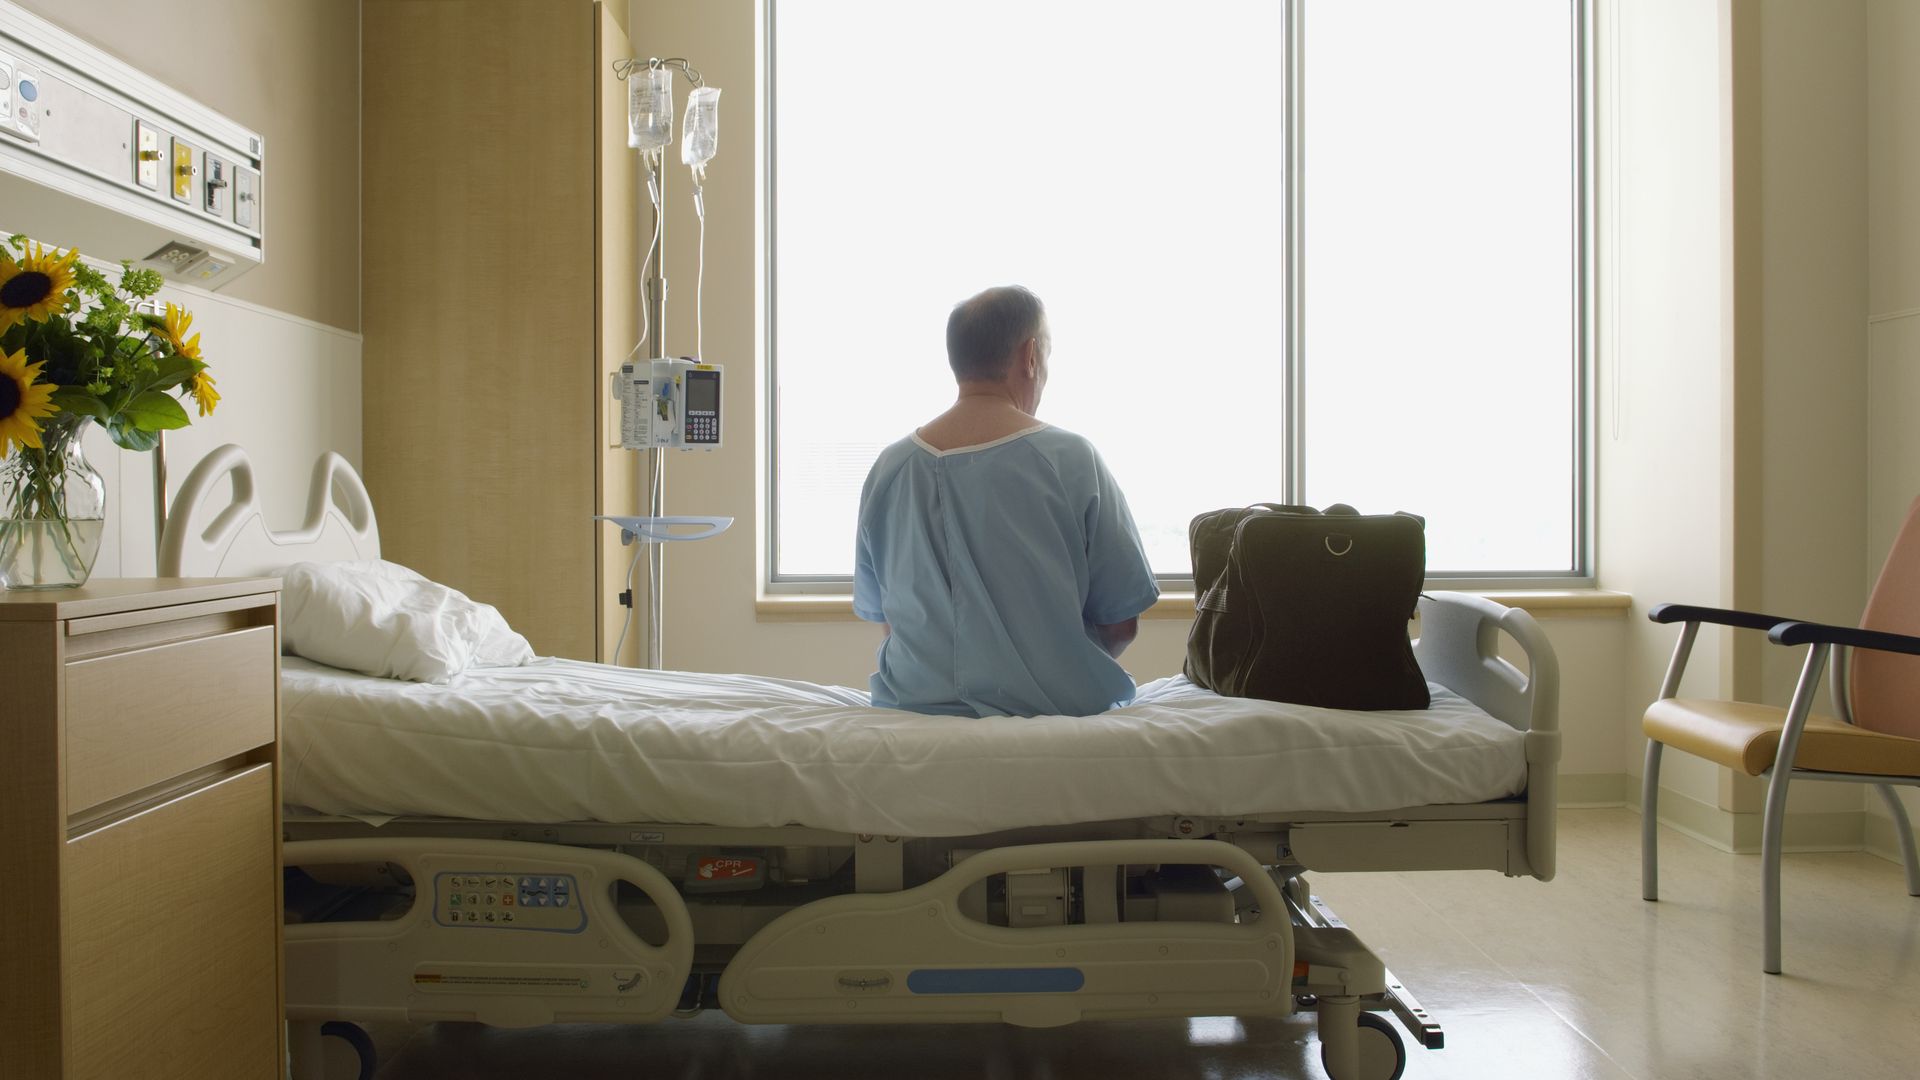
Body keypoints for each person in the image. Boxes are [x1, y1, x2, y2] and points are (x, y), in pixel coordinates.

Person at [853, 285, 1159, 717]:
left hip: (913, 706)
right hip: (1056, 709)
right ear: (1030, 355)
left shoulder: (890, 468)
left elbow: (887, 617)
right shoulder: (1070, 460)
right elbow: (1120, 621)